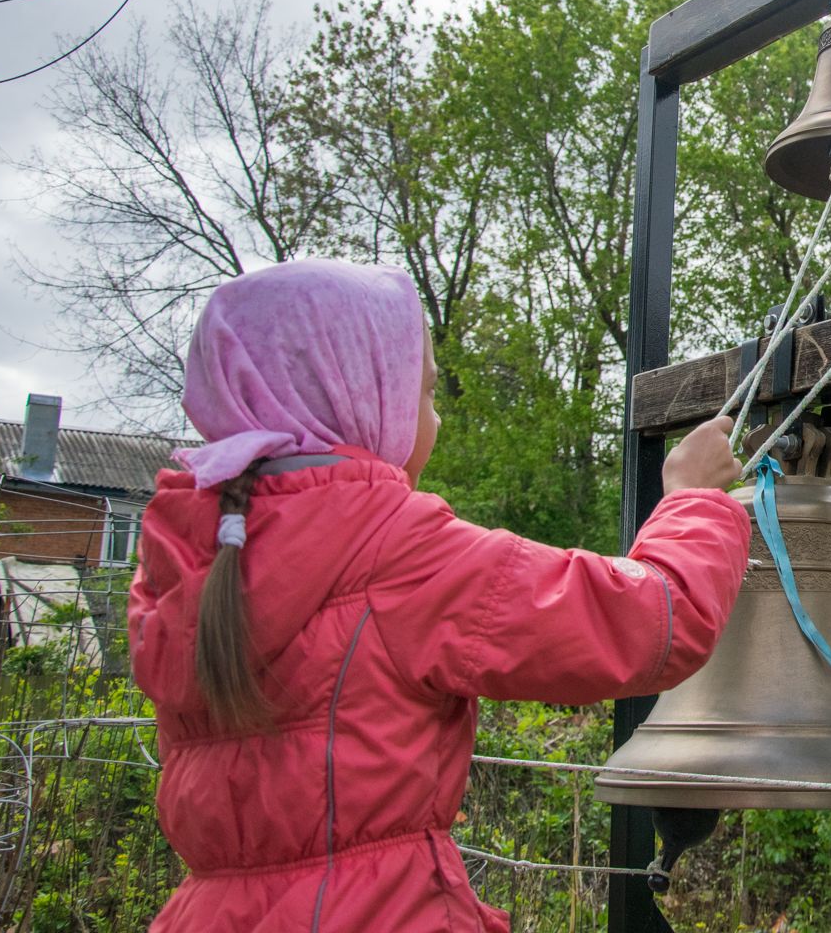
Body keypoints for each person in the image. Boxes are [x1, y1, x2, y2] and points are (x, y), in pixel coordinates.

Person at [128, 260, 750, 931]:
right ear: (358, 395)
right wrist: (693, 500)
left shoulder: (188, 560)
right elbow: (651, 621)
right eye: (425, 395)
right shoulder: (395, 551)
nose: (436, 420)